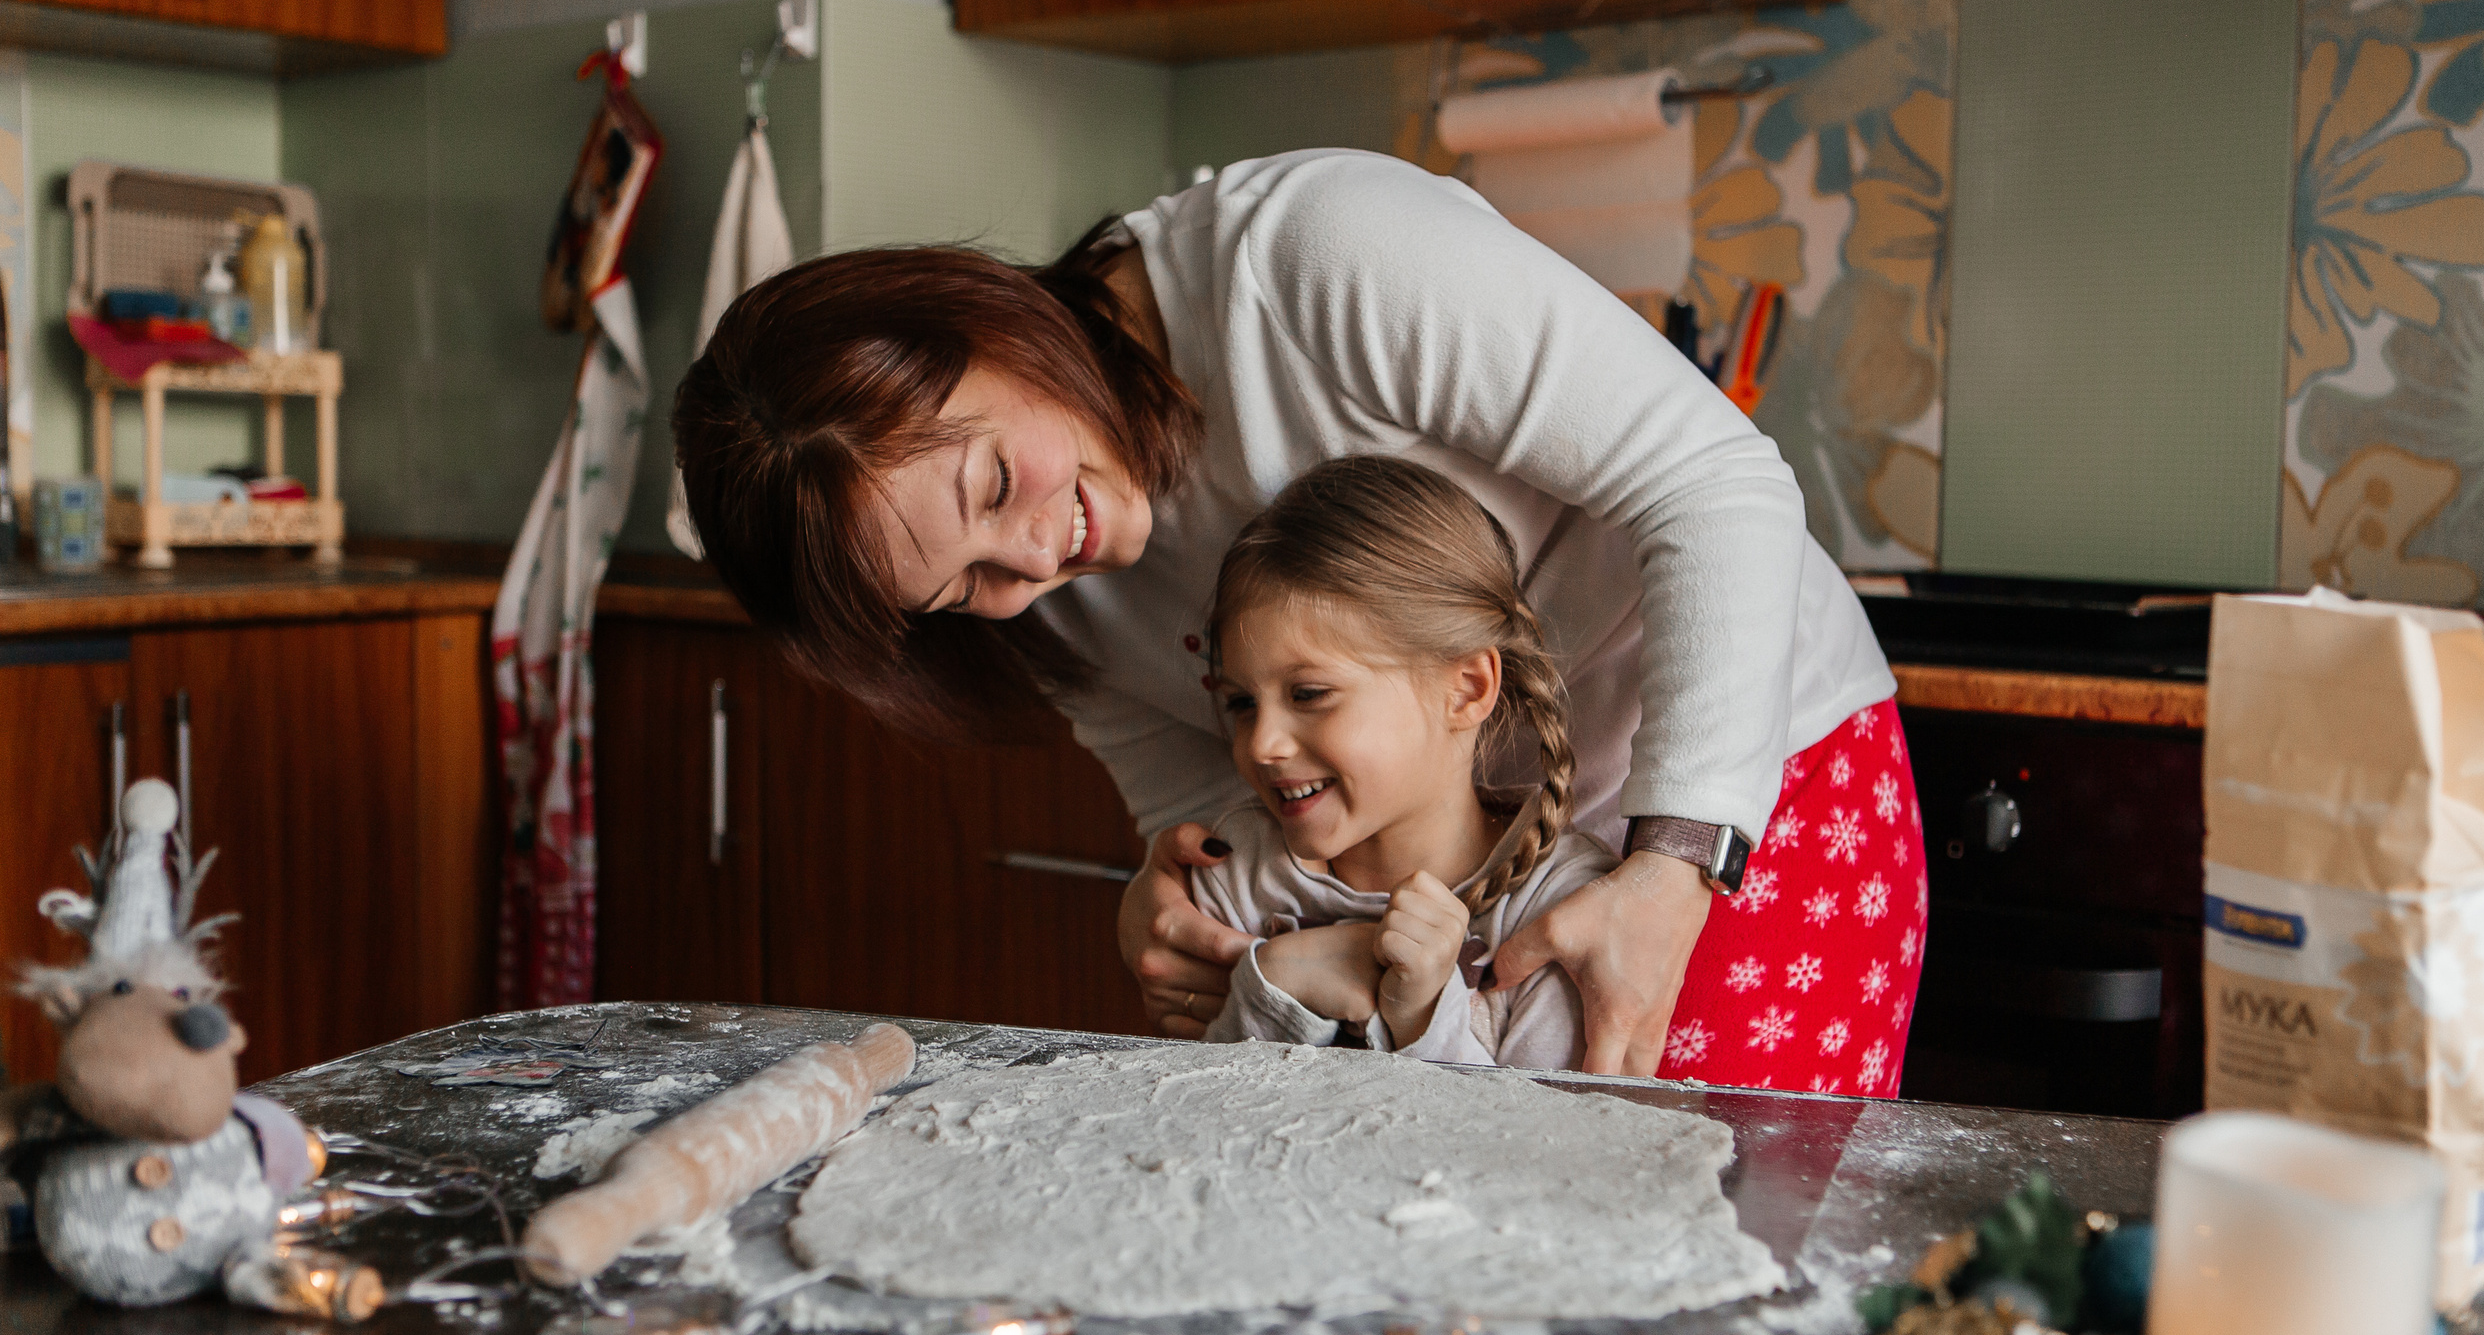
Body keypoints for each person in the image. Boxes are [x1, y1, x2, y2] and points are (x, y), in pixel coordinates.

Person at [673, 148, 1920, 1088]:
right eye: (961, 588)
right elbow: (1216, 810)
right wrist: (1173, 903)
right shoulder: (1034, 610)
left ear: (988, 326)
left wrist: (1670, 865)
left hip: (1736, 785)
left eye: (996, 483)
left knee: (1705, 1287)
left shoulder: (1311, 260)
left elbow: (1714, 484)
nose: (1041, 558)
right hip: (1464, 893)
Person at [1191, 456, 1616, 1066]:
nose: (1261, 745)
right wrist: (1275, 986)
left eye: (1309, 694)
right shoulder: (1237, 875)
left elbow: (1535, 1152)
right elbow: (1187, 1120)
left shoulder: (1559, 909)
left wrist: (1423, 1019)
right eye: (1241, 703)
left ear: (1466, 689)